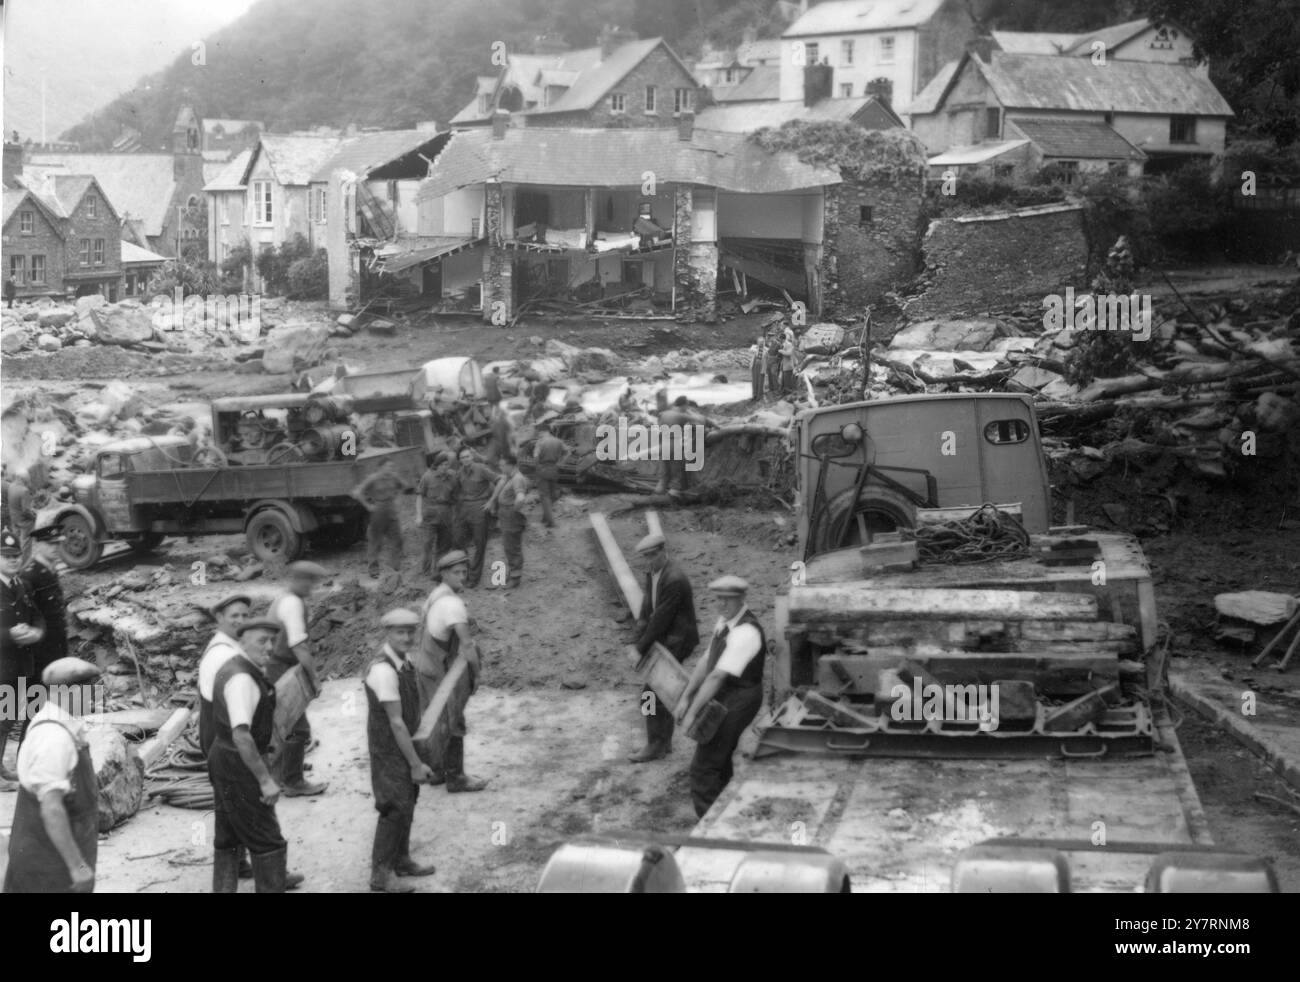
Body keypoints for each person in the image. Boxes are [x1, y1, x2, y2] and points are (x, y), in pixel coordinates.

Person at [3, 657, 102, 893]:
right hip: (48, 865)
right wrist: (77, 866)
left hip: (52, 856)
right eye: (92, 692)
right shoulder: (53, 738)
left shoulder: (62, 723)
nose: (96, 699)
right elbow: (52, 809)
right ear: (72, 692)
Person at [208, 617, 292, 893]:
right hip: (238, 764)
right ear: (242, 642)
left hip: (224, 759)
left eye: (272, 640)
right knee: (267, 840)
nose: (269, 647)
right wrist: (265, 780)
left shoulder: (238, 667)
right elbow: (241, 735)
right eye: (261, 641)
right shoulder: (243, 678)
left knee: (229, 836)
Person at [676, 575, 767, 818]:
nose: (722, 605)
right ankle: (725, 813)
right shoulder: (725, 621)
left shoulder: (746, 631)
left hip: (741, 698)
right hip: (727, 692)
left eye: (728, 600)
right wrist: (686, 696)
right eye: (719, 599)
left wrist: (692, 713)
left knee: (703, 768)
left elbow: (716, 677)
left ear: (742, 599)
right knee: (720, 757)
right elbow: (707, 660)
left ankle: (710, 834)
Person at [365, 608, 439, 892]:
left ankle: (402, 859)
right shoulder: (384, 670)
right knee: (394, 807)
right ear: (388, 633)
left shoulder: (404, 661)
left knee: (407, 801)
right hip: (389, 748)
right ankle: (381, 875)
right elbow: (396, 722)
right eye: (400, 632)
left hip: (404, 743)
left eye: (411, 632)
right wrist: (415, 764)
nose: (407, 637)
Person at [413, 551, 487, 793]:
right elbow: (466, 645)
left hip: (424, 666)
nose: (462, 577)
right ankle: (456, 778)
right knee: (453, 719)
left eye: (465, 572)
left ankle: (436, 773)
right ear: (444, 574)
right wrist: (476, 674)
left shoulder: (435, 595)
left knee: (433, 718)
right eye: (457, 573)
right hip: (437, 669)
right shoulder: (452, 604)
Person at [626, 533, 699, 764]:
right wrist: (637, 638)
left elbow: (660, 620)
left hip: (677, 641)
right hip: (664, 639)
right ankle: (663, 742)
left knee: (650, 694)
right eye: (645, 557)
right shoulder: (653, 574)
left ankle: (654, 744)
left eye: (652, 556)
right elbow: (647, 610)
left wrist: (640, 648)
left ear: (662, 552)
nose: (649, 561)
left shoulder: (674, 579)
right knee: (660, 693)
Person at [266, 561, 329, 796]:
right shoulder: (292, 603)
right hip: (280, 668)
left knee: (286, 724)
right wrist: (314, 678)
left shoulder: (286, 598)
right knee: (296, 728)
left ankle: (283, 772)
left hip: (277, 665)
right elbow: (299, 646)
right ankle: (292, 782)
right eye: (310, 582)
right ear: (299, 579)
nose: (312, 588)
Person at [1, 528, 43, 787]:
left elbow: (36, 615)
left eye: (16, 555)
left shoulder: (22, 585)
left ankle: (3, 770)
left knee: (8, 718)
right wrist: (9, 634)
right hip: (2, 664)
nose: (14, 560)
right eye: (6, 556)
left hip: (20, 664)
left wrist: (36, 632)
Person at [20, 525, 68, 687]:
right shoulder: (29, 576)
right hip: (41, 647)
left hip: (57, 640)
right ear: (38, 545)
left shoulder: (50, 570)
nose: (55, 548)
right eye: (50, 544)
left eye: (57, 543)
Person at [353, 457, 410, 580]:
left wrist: (398, 499)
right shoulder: (373, 478)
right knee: (375, 541)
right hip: (378, 509)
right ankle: (373, 570)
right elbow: (357, 492)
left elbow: (404, 487)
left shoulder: (393, 477)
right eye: (388, 467)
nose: (390, 469)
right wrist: (368, 505)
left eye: (392, 467)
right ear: (381, 467)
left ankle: (395, 567)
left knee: (397, 539)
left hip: (391, 509)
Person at [454, 448, 498, 588]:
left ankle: (474, 577)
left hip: (479, 507)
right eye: (462, 457)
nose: (465, 459)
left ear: (472, 457)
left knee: (480, 543)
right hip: (464, 508)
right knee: (458, 540)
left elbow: (500, 480)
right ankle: (466, 570)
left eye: (467, 456)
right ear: (459, 460)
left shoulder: (481, 469)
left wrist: (492, 501)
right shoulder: (459, 472)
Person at [486, 455, 528, 589]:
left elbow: (521, 498)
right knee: (508, 546)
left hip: (511, 515)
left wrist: (514, 510)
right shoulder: (509, 476)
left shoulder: (517, 479)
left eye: (503, 465)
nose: (500, 467)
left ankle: (515, 578)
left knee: (512, 547)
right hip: (506, 514)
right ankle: (512, 573)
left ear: (512, 465)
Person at [416, 452, 460, 577]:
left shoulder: (452, 477)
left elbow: (456, 497)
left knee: (444, 544)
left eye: (447, 465)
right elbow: (420, 495)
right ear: (436, 465)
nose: (445, 467)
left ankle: (438, 570)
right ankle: (425, 570)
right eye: (442, 465)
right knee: (427, 543)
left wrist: (455, 515)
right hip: (430, 513)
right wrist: (418, 515)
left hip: (446, 513)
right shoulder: (427, 477)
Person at [532, 422, 565, 529]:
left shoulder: (540, 442)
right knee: (552, 495)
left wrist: (537, 468)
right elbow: (568, 451)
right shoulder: (558, 441)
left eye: (539, 432)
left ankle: (551, 522)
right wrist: (561, 462)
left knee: (545, 496)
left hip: (543, 469)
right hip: (554, 469)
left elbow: (536, 457)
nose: (538, 434)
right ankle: (546, 517)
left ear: (542, 431)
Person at [780, 327, 796, 395]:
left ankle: (789, 394)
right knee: (783, 381)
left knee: (787, 381)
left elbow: (789, 354)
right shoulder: (783, 344)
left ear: (783, 338)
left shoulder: (789, 344)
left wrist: (781, 351)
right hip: (784, 365)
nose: (780, 340)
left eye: (780, 339)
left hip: (788, 365)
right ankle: (784, 393)